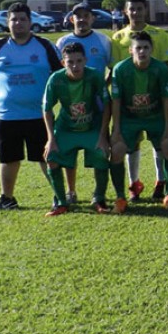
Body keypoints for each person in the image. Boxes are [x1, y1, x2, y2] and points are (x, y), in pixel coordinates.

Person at [0, 2, 62, 212]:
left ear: (30, 22)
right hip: (6, 116)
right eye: (13, 19)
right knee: (9, 159)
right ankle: (7, 199)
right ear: (7, 22)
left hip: (39, 115)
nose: (18, 23)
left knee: (47, 157)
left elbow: (58, 75)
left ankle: (60, 197)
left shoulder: (45, 46)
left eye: (22, 19)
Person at [42, 42, 120, 216]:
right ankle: (61, 202)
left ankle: (99, 199)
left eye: (79, 61)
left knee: (101, 153)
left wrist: (102, 136)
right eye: (70, 62)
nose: (75, 66)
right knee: (51, 157)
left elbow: (107, 105)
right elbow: (47, 109)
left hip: (91, 128)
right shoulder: (56, 79)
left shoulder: (94, 76)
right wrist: (51, 140)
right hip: (66, 130)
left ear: (85, 60)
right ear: (63, 63)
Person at [110, 0, 168, 201]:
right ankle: (132, 183)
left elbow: (164, 69)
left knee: (161, 143)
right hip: (129, 108)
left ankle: (160, 181)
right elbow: (116, 73)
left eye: (139, 8)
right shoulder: (118, 38)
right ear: (125, 11)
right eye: (132, 9)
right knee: (130, 145)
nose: (135, 12)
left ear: (145, 10)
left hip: (153, 106)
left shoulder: (159, 35)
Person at [56, 2, 114, 204]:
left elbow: (112, 67)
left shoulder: (103, 40)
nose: (82, 19)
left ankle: (99, 194)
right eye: (77, 16)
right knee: (69, 151)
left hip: (97, 105)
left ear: (93, 18)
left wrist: (102, 87)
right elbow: (59, 72)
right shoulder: (63, 41)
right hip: (71, 104)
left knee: (99, 147)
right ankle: (71, 191)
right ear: (72, 19)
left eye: (86, 15)